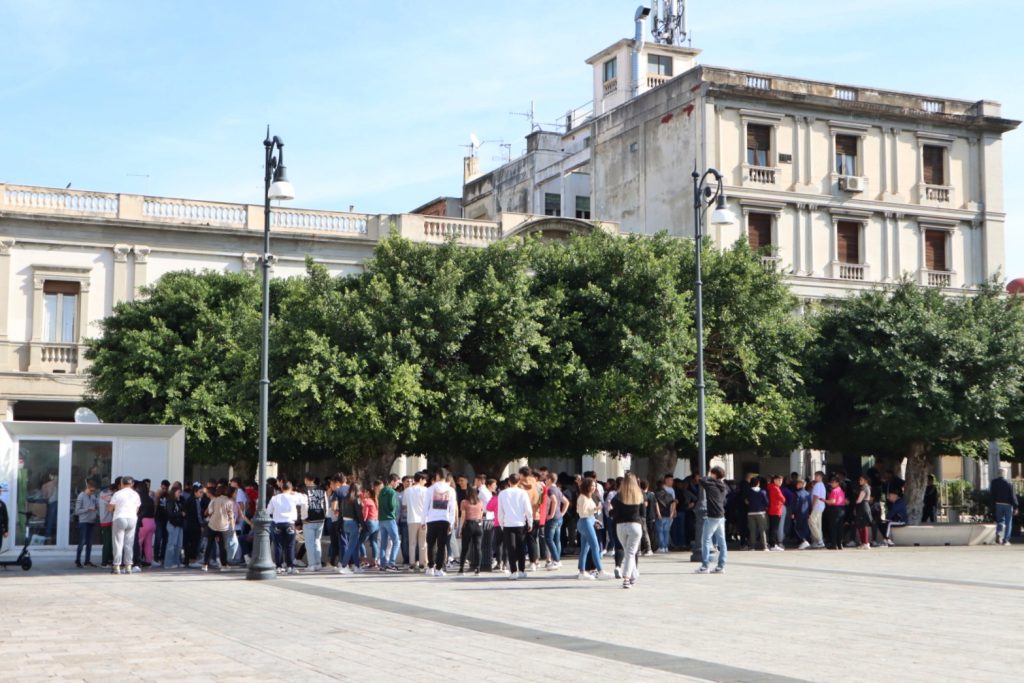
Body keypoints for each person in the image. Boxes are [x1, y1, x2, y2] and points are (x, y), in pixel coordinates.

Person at [610, 472, 644, 589]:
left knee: (628, 551)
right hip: (635, 525)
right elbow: (643, 513)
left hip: (621, 525)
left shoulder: (618, 496)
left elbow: (613, 512)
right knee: (630, 552)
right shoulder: (640, 495)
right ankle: (627, 578)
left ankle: (632, 576)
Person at [421, 468, 457, 577]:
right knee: (442, 545)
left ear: (437, 476)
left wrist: (423, 521)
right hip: (445, 520)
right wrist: (451, 523)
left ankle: (430, 567)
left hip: (432, 520)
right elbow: (452, 509)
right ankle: (439, 568)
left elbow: (425, 506)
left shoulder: (430, 489)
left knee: (431, 544)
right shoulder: (451, 490)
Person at [694, 466, 729, 574]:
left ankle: (705, 566)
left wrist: (709, 477)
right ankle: (721, 566)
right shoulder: (723, 486)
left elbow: (701, 479)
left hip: (713, 515)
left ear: (714, 474)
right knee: (721, 541)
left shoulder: (711, 484)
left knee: (705, 540)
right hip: (721, 515)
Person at [497, 472, 532, 580]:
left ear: (509, 482)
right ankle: (522, 570)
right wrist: (530, 522)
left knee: (511, 548)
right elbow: (528, 509)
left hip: (508, 523)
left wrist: (501, 523)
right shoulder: (523, 493)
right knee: (521, 547)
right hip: (520, 523)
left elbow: (500, 511)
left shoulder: (502, 493)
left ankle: (513, 571)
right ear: (519, 481)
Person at [266, 480, 304, 574]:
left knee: (278, 546)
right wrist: (295, 493)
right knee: (290, 546)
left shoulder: (274, 498)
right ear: (291, 488)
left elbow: (268, 511)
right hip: (289, 523)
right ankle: (290, 566)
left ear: (281, 488)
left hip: (278, 524)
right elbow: (304, 499)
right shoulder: (293, 497)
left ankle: (278, 565)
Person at [108, 476, 141, 575]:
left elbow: (110, 508)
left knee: (118, 543)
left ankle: (117, 566)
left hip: (119, 517)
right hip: (132, 518)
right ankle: (128, 566)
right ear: (132, 484)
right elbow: (137, 509)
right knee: (129, 543)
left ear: (122, 484)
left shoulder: (117, 494)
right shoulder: (136, 494)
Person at [575, 477, 606, 580]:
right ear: (586, 486)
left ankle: (582, 572)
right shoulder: (582, 497)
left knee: (585, 549)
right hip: (585, 522)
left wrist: (595, 520)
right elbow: (582, 512)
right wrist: (595, 509)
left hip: (588, 521)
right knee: (595, 547)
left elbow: (587, 513)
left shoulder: (588, 497)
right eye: (592, 486)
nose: (594, 488)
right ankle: (600, 571)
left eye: (594, 486)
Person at [203, 484, 235, 572]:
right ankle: (223, 564)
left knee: (209, 545)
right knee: (222, 546)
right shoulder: (229, 502)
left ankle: (205, 564)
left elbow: (210, 511)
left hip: (212, 525)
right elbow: (231, 516)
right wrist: (233, 527)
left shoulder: (214, 500)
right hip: (223, 526)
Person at [403, 472, 428, 571]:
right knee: (423, 543)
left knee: (412, 543)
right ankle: (422, 564)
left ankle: (412, 564)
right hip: (423, 520)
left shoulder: (407, 491)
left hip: (411, 519)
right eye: (425, 480)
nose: (425, 482)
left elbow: (404, 505)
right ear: (421, 479)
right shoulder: (426, 490)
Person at [302, 474, 327, 572]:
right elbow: (326, 503)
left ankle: (311, 565)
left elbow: (305, 505)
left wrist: (304, 517)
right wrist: (325, 516)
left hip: (309, 519)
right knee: (317, 541)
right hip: (321, 519)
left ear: (307, 479)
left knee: (309, 543)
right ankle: (318, 563)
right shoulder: (322, 490)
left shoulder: (305, 490)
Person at [337, 482, 364, 574]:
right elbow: (359, 514)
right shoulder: (356, 500)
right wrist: (363, 525)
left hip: (345, 523)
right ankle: (344, 566)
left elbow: (341, 513)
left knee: (354, 546)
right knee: (352, 546)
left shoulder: (344, 499)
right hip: (353, 523)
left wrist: (339, 525)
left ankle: (357, 566)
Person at [543, 472, 568, 570]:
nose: (545, 481)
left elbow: (554, 501)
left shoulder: (550, 490)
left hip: (553, 518)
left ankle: (556, 560)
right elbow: (566, 502)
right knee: (557, 540)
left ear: (549, 480)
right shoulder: (558, 489)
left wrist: (551, 514)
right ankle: (557, 560)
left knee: (549, 539)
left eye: (546, 479)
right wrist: (562, 513)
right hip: (559, 518)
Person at [457, 485, 484, 575]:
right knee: (478, 547)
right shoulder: (480, 502)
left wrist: (460, 528)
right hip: (478, 525)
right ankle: (478, 568)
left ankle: (461, 568)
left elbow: (463, 516)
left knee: (465, 547)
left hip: (468, 524)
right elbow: (481, 514)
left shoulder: (464, 502)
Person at [74, 478, 100, 568]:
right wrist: (87, 509)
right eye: (91, 490)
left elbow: (96, 506)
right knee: (82, 541)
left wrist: (96, 509)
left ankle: (87, 560)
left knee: (89, 542)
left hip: (91, 521)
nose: (92, 492)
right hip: (84, 521)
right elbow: (77, 511)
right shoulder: (81, 496)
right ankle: (78, 560)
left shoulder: (93, 496)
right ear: (87, 487)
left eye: (94, 491)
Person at [377, 474, 401, 572]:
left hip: (381, 519)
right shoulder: (392, 492)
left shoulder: (382, 490)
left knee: (383, 543)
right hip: (390, 519)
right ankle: (391, 563)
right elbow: (392, 506)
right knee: (396, 541)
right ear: (392, 481)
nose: (398, 484)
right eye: (397, 482)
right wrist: (395, 506)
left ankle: (383, 564)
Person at [991, 468, 1019, 545]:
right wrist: (1016, 506)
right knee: (1008, 522)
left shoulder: (994, 482)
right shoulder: (1009, 483)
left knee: (1000, 520)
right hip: (1008, 505)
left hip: (998, 504)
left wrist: (992, 504)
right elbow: (1013, 496)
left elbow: (992, 494)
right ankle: (1006, 540)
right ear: (1005, 474)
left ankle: (999, 533)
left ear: (998, 473)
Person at [823, 475, 847, 550]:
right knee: (840, 527)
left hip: (834, 509)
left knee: (833, 527)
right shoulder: (841, 490)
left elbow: (832, 502)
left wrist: (824, 500)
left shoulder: (834, 491)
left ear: (837, 483)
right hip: (842, 509)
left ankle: (834, 544)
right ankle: (840, 544)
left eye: (833, 482)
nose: (831, 484)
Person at [164, 484, 185, 568]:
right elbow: (170, 513)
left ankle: (177, 562)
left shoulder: (179, 501)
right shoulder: (170, 501)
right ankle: (168, 563)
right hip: (173, 524)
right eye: (178, 492)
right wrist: (180, 513)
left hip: (179, 524)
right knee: (171, 544)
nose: (180, 494)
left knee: (179, 544)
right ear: (174, 492)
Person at [746, 477, 769, 551]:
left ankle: (752, 546)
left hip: (751, 513)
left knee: (752, 530)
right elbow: (766, 502)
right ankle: (764, 546)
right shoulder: (763, 492)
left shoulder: (748, 491)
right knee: (762, 530)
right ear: (758, 483)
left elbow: (746, 501)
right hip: (761, 512)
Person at [654, 478, 676, 553]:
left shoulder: (656, 494)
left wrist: (658, 513)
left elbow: (656, 504)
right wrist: (672, 513)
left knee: (660, 531)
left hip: (660, 515)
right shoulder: (668, 494)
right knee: (666, 531)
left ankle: (661, 546)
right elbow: (674, 502)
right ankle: (666, 547)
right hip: (667, 514)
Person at [98, 480, 116, 568]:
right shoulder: (110, 496)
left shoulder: (102, 493)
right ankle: (105, 562)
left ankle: (107, 560)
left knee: (107, 542)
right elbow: (112, 507)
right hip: (109, 520)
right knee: (108, 542)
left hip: (103, 520)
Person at [808, 471, 827, 549]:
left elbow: (815, 496)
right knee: (818, 524)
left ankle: (819, 540)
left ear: (821, 477)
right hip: (821, 506)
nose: (815, 477)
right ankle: (817, 541)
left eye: (817, 476)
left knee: (811, 521)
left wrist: (813, 506)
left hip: (817, 506)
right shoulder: (822, 485)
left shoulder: (817, 485)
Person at [767, 475, 786, 551]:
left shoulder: (770, 487)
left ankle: (771, 543)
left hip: (771, 509)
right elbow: (783, 499)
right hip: (776, 510)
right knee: (775, 528)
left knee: (772, 528)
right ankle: (773, 545)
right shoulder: (776, 488)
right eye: (779, 480)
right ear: (775, 480)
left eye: (781, 481)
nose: (780, 482)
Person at [792, 479, 812, 550]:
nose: (796, 485)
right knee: (805, 528)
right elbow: (810, 504)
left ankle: (803, 541)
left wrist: (793, 512)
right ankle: (805, 541)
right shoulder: (808, 493)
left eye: (797, 484)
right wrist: (809, 512)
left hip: (798, 513)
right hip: (806, 513)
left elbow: (796, 504)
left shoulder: (797, 493)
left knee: (797, 528)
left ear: (800, 484)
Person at [854, 474, 873, 549]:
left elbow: (859, 499)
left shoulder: (864, 488)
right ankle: (864, 542)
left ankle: (865, 542)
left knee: (863, 525)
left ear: (865, 480)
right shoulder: (867, 487)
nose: (859, 481)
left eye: (861, 480)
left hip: (862, 506)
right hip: (865, 506)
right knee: (862, 525)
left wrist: (855, 503)